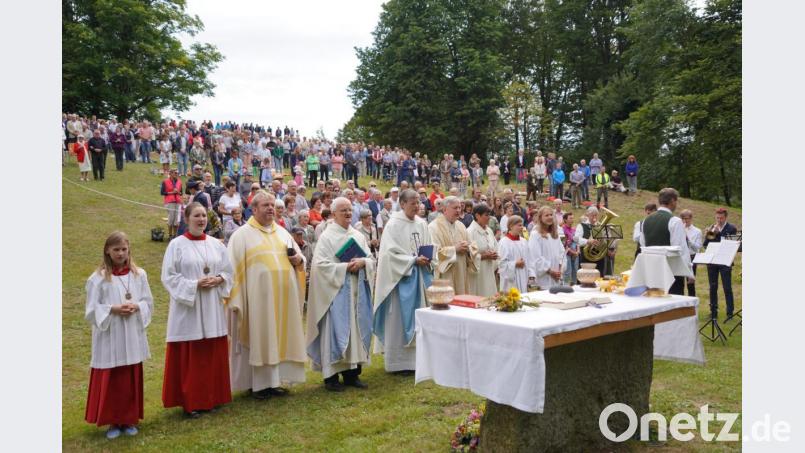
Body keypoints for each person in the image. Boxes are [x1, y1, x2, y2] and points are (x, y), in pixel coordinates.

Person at [226, 191, 308, 399]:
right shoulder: (241, 236)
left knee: (278, 337)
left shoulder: (283, 233)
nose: (271, 208)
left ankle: (274, 381)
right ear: (253, 209)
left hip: (283, 301)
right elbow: (231, 270)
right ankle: (257, 384)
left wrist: (299, 261)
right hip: (257, 301)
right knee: (260, 337)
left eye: (272, 205)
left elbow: (299, 259)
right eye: (265, 205)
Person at [161, 203, 233, 418]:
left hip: (211, 306)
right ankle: (192, 401)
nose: (201, 219)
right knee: (192, 356)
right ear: (187, 218)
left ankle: (213, 396)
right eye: (196, 216)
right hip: (189, 309)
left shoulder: (216, 245)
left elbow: (229, 272)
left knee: (211, 353)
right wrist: (194, 285)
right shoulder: (176, 245)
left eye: (203, 216)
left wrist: (219, 279)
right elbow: (169, 277)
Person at [84, 232, 153, 439]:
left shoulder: (139, 275)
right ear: (107, 251)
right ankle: (113, 422)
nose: (121, 253)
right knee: (112, 377)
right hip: (111, 334)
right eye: (116, 249)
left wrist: (137, 306)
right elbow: (91, 310)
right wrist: (113, 309)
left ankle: (129, 419)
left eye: (124, 249)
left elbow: (148, 302)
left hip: (131, 331)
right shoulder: (97, 279)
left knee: (129, 375)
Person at [306, 197, 376, 391]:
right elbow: (319, 266)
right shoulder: (327, 237)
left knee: (356, 331)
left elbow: (370, 259)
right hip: (335, 293)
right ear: (334, 213)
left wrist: (364, 263)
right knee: (335, 332)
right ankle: (332, 377)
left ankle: (352, 374)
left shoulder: (358, 235)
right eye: (343, 210)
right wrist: (345, 267)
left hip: (357, 292)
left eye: (349, 210)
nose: (347, 213)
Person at [373, 189, 433, 374]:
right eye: (413, 203)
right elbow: (389, 254)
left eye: (418, 202)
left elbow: (429, 246)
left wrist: (428, 257)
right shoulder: (393, 225)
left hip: (419, 278)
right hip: (400, 280)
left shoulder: (422, 224)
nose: (417, 206)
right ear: (403, 203)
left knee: (420, 318)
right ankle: (398, 363)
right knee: (398, 320)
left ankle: (418, 362)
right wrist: (413, 260)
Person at [641, 188, 692, 295]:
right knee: (673, 307)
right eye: (676, 201)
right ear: (673, 201)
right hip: (672, 273)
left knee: (655, 303)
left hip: (652, 272)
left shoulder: (646, 220)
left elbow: (643, 245)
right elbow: (680, 250)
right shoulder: (675, 221)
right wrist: (689, 272)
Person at [428, 196, 478, 295]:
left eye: (459, 208)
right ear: (445, 209)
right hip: (445, 275)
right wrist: (454, 249)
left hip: (461, 272)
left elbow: (473, 246)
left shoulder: (461, 226)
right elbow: (433, 254)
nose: (458, 210)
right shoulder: (433, 227)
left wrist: (468, 248)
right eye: (455, 208)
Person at [703, 207, 738, 319]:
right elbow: (705, 245)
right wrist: (708, 234)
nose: (719, 220)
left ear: (725, 217)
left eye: (721, 218)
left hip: (725, 262)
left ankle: (730, 313)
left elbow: (732, 245)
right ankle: (713, 312)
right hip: (713, 262)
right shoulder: (712, 228)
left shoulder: (731, 228)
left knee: (727, 287)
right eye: (717, 218)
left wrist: (718, 234)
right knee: (713, 287)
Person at [528, 206, 565, 290]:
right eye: (546, 215)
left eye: (551, 215)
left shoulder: (555, 235)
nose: (549, 217)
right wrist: (550, 271)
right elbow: (535, 257)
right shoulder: (535, 235)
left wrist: (560, 270)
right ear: (540, 218)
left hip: (556, 278)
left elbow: (562, 254)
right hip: (544, 279)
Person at [466, 204, 499, 297]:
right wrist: (484, 256)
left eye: (490, 215)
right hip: (477, 273)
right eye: (486, 215)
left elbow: (496, 247)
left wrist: (495, 256)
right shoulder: (470, 232)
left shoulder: (489, 231)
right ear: (477, 216)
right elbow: (468, 256)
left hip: (489, 270)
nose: (489, 218)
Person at [498, 215, 529, 293]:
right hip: (510, 280)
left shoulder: (524, 241)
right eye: (519, 225)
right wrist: (515, 263)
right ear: (511, 226)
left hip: (523, 276)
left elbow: (529, 259)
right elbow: (501, 264)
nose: (522, 227)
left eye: (522, 225)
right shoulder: (504, 242)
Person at [575, 206, 607, 277]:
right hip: (586, 257)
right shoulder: (581, 225)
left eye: (596, 215)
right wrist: (588, 241)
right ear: (588, 215)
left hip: (599, 257)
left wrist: (603, 241)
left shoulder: (600, 226)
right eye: (592, 215)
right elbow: (576, 239)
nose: (594, 217)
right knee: (586, 276)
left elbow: (605, 241)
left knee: (599, 276)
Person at [680, 209, 702, 297]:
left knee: (690, 283)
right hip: (680, 257)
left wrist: (688, 240)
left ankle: (692, 305)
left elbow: (698, 248)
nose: (685, 221)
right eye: (683, 219)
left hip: (691, 257)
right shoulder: (679, 229)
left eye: (687, 218)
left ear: (691, 218)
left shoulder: (697, 231)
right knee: (679, 282)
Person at [161, 169, 183, 239]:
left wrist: (178, 192)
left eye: (177, 173)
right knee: (171, 218)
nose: (177, 174)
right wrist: (172, 192)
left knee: (177, 219)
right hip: (169, 201)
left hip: (178, 202)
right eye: (175, 173)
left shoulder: (179, 182)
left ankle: (175, 235)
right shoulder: (165, 182)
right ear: (170, 173)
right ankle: (170, 235)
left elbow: (181, 193)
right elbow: (162, 192)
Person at [561, 212, 580, 285]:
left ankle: (574, 286)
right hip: (567, 254)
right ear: (565, 220)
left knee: (575, 271)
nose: (572, 220)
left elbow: (577, 241)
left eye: (573, 218)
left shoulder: (574, 230)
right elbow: (564, 245)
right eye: (570, 218)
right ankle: (566, 285)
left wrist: (577, 251)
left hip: (575, 254)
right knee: (568, 272)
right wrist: (573, 252)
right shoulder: (563, 230)